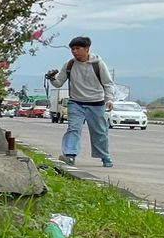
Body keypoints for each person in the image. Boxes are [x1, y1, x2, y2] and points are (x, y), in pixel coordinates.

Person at [46, 36, 114, 168]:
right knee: (73, 128)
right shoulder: (69, 65)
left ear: (87, 49)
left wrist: (109, 99)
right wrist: (52, 78)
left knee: (99, 132)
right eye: (72, 49)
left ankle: (104, 155)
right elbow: (59, 83)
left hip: (96, 103)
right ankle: (70, 155)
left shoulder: (98, 64)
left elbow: (108, 84)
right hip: (76, 103)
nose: (75, 52)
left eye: (78, 48)